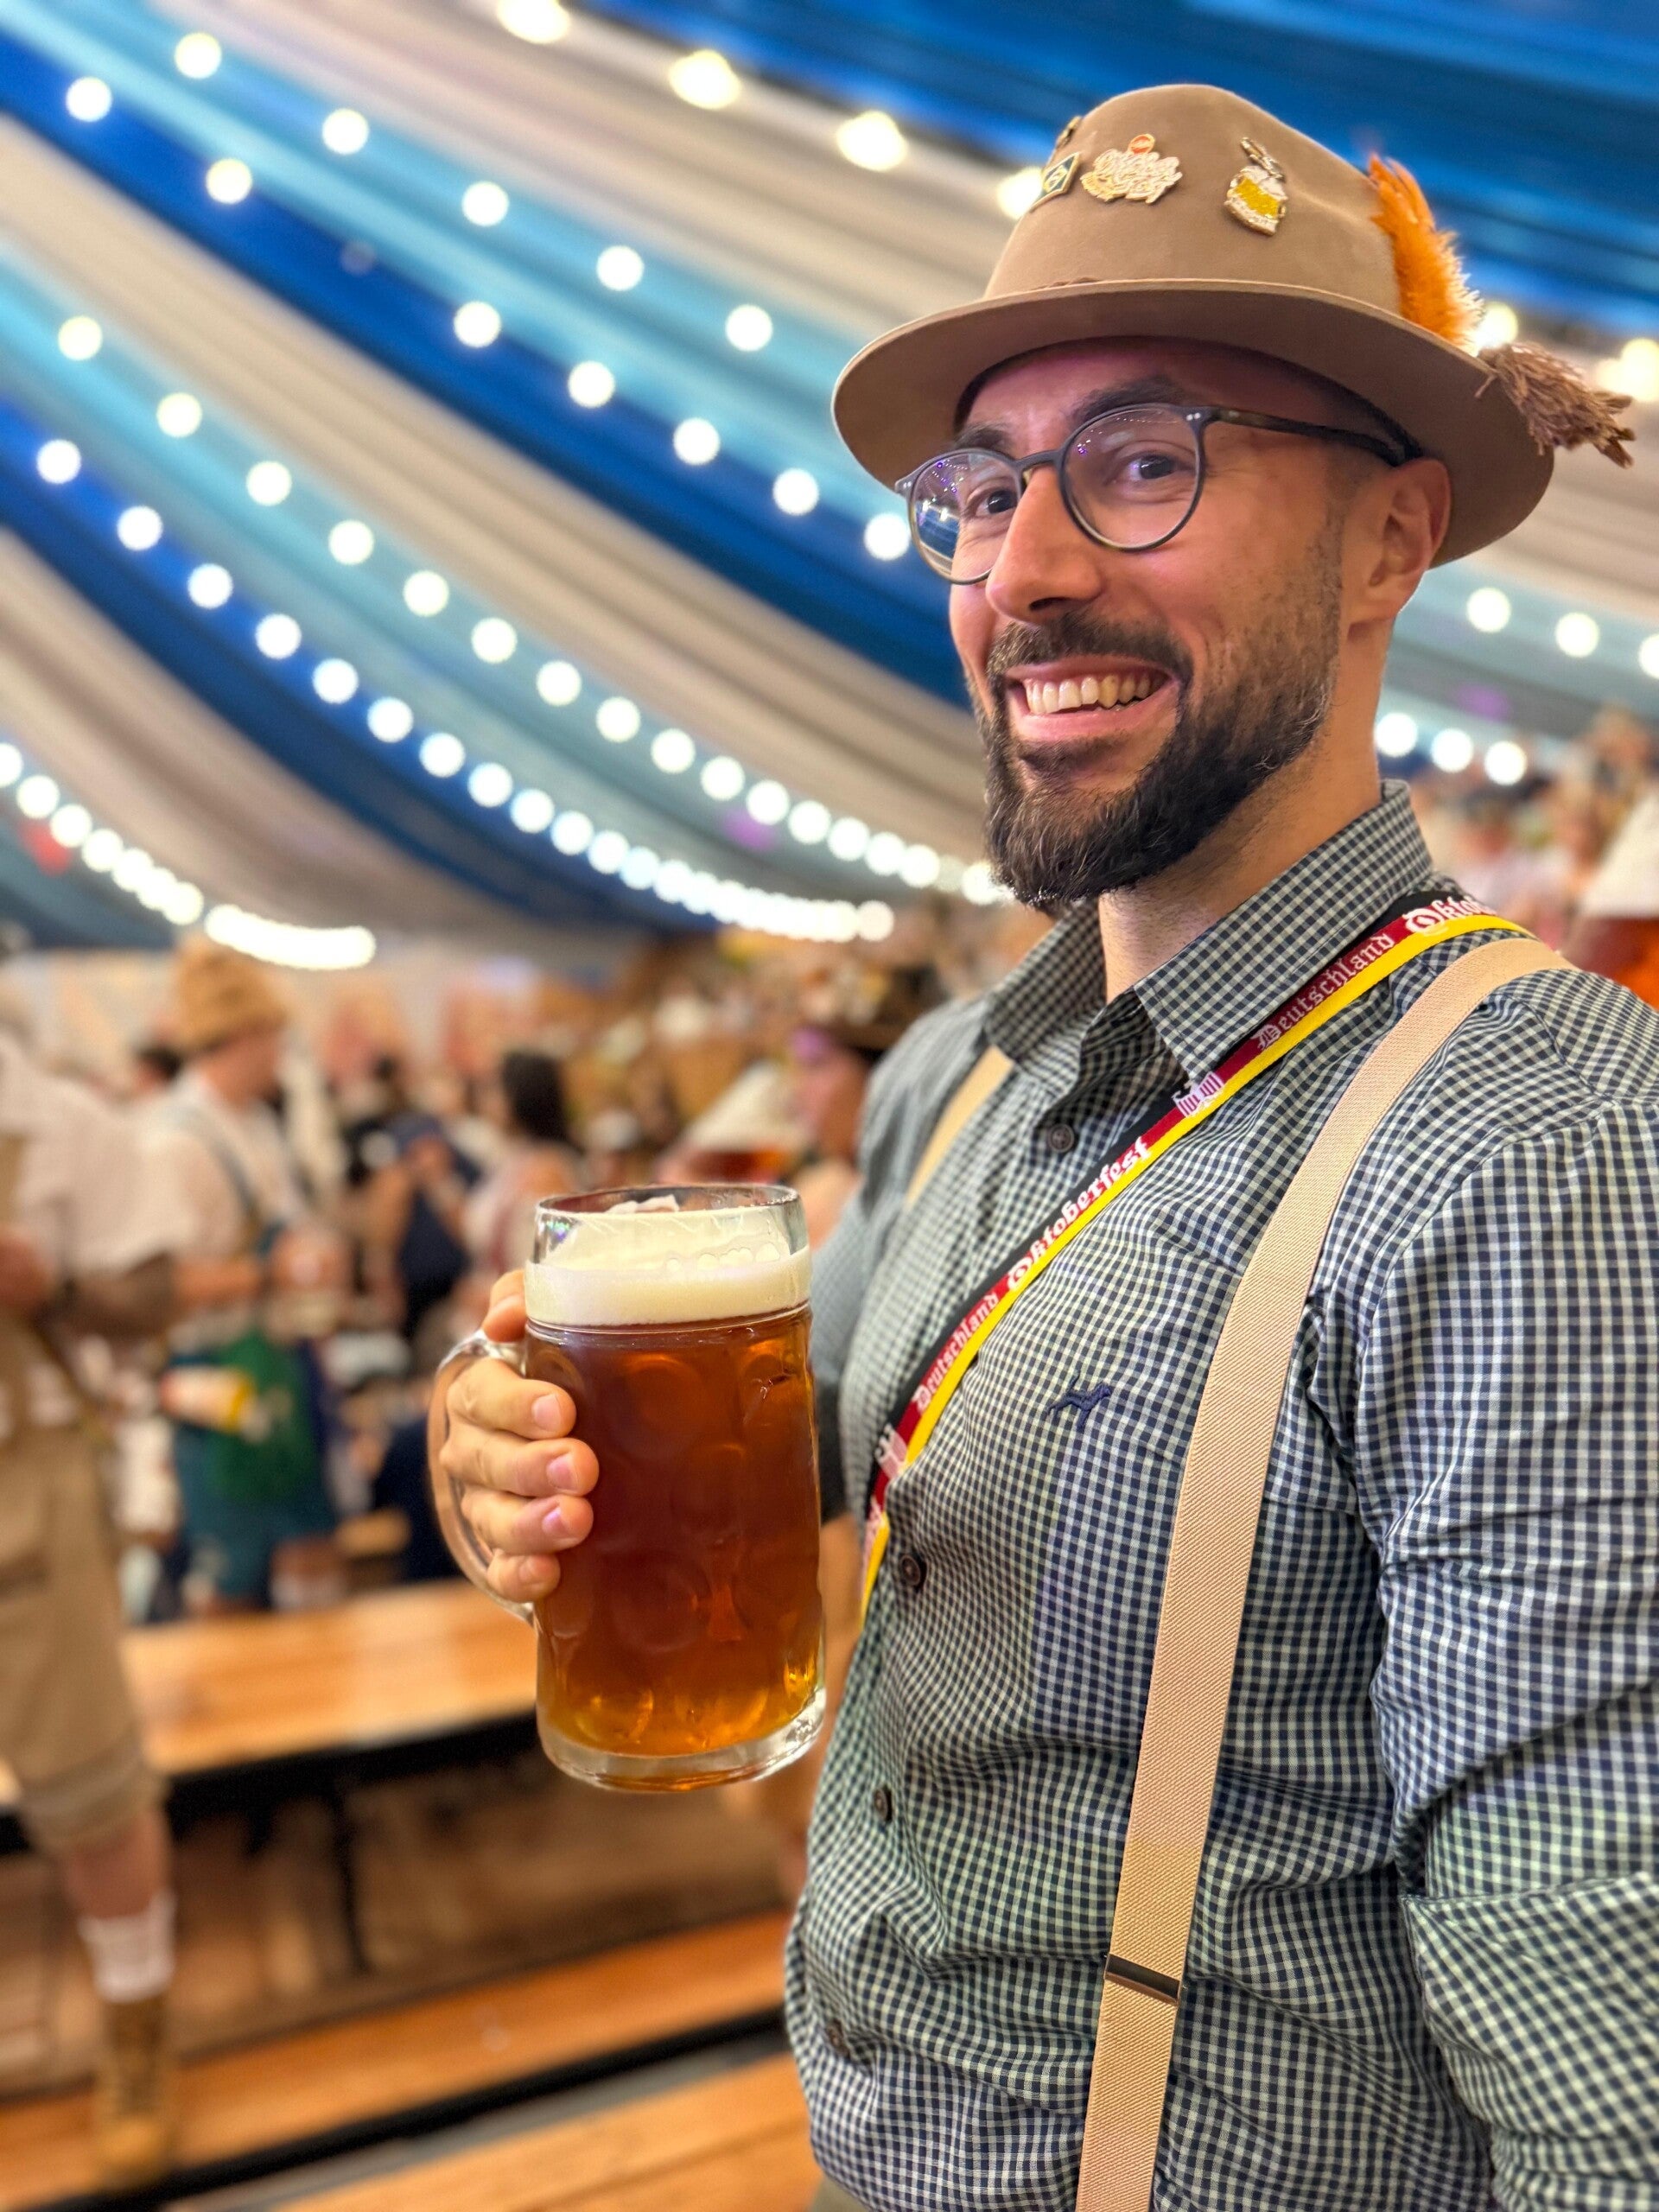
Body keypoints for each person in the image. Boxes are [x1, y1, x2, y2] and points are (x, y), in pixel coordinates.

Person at [433, 86, 1651, 2212]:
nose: (1026, 569)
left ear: (1390, 537)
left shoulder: (1529, 1145)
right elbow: (813, 1420)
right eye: (983, 490)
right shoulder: (956, 1077)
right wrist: (512, 1429)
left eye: (1145, 461)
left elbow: (1604, 2087)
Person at [0, 1027, 182, 2184]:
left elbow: (154, 1296)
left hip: (24, 1481)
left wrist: (51, 1287)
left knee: (88, 1782)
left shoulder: (57, 1122)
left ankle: (136, 2026)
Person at [142, 942, 342, 1611]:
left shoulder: (254, 1122)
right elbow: (154, 1285)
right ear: (246, 1035)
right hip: (217, 1379)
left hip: (279, 1365)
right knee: (232, 1573)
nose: (281, 1053)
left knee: (311, 1548)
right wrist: (266, 1273)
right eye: (275, 1036)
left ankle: (318, 1675)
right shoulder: (175, 1142)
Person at [789, 969, 945, 1248]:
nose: (798, 1092)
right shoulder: (820, 1186)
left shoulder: (913, 1198)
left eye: (816, 1066)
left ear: (880, 1074)